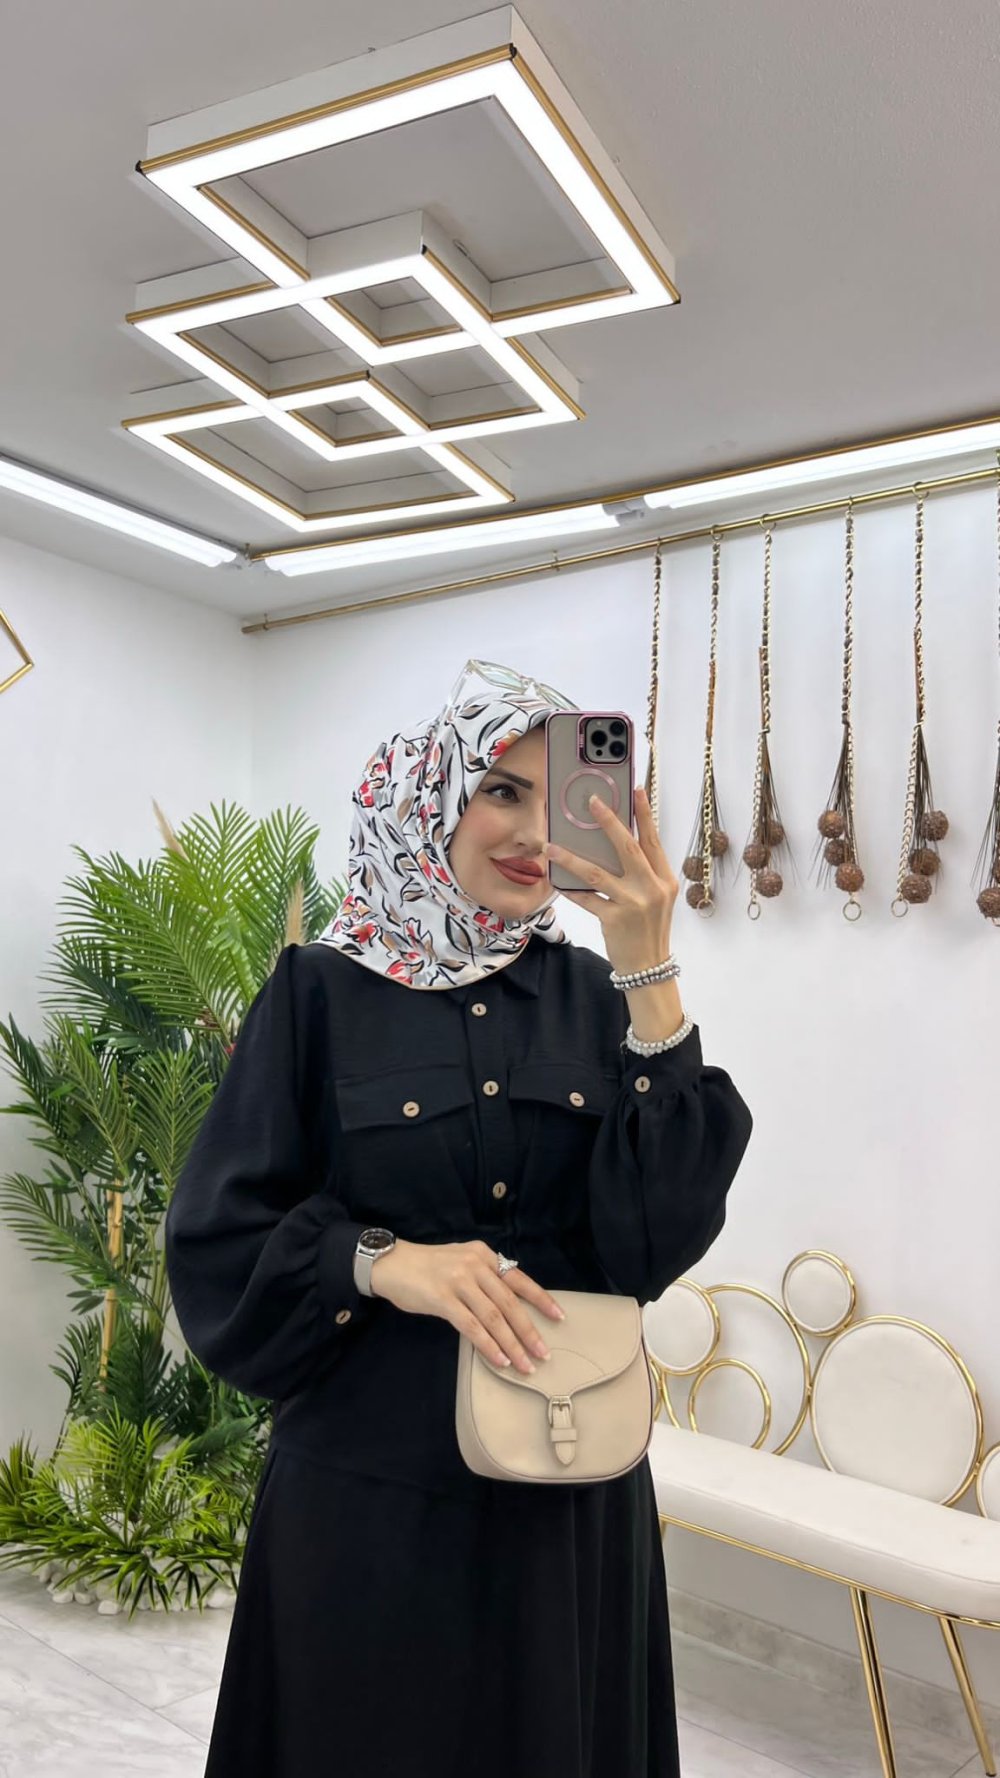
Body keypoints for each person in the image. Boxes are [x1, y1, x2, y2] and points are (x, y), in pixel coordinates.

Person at [164, 656, 752, 1778]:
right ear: (430, 795)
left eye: (557, 796)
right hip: (372, 1498)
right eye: (500, 790)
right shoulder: (318, 991)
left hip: (565, 1493)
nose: (532, 831)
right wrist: (384, 1261)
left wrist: (649, 973)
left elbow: (650, 1246)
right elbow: (218, 1238)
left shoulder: (595, 999)